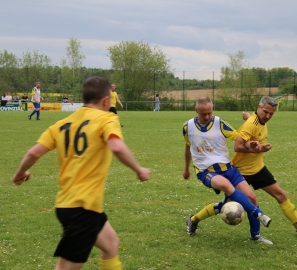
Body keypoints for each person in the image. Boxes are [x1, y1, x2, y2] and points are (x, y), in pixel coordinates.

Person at [12, 76, 151, 270]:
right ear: (105, 101)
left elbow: (34, 152)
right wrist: (139, 169)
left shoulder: (62, 124)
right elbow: (117, 147)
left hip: (69, 205)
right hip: (82, 208)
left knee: (111, 245)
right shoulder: (107, 118)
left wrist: (20, 173)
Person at [183, 97, 272, 244]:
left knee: (252, 198)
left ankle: (255, 236)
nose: (207, 117)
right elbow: (188, 147)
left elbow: (239, 138)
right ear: (196, 110)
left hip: (228, 169)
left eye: (209, 113)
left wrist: (252, 145)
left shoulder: (220, 123)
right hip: (206, 171)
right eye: (203, 114)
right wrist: (186, 168)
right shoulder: (188, 127)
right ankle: (259, 214)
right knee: (226, 186)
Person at [232, 96, 297, 235]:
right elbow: (237, 147)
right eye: (265, 112)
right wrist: (257, 149)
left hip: (258, 168)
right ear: (258, 107)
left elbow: (254, 122)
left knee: (280, 195)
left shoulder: (258, 119)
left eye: (271, 114)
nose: (267, 116)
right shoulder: (251, 123)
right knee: (227, 204)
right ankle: (194, 219)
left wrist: (248, 117)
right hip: (241, 172)